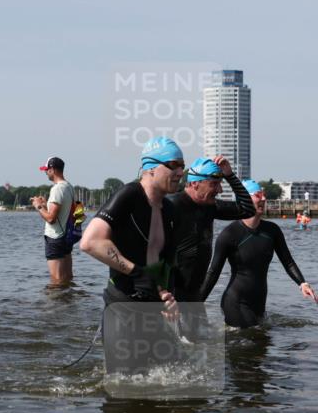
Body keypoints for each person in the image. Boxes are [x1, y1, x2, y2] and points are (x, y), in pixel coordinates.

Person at [80, 138, 184, 374]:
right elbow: (91, 242)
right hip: (123, 306)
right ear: (150, 168)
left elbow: (164, 263)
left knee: (168, 388)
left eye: (182, 166)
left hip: (154, 309)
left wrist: (167, 294)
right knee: (124, 391)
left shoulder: (170, 209)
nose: (180, 172)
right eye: (173, 164)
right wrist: (136, 272)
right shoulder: (129, 195)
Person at [199, 180, 317, 328]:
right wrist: (194, 304)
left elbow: (288, 262)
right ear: (244, 200)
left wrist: (302, 283)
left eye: (264, 195)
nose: (263, 199)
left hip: (259, 305)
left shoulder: (272, 231)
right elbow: (213, 273)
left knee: (261, 344)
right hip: (235, 302)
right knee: (253, 338)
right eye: (258, 195)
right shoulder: (230, 234)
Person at [168, 156, 254, 304]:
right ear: (195, 183)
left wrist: (230, 175)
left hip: (194, 295)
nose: (219, 190)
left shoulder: (210, 206)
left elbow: (247, 209)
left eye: (220, 184)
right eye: (214, 184)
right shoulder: (172, 205)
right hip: (171, 295)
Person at [31, 156, 75, 287]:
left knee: (56, 281)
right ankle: (68, 303)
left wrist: (38, 205)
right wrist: (45, 204)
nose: (45, 172)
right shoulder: (69, 186)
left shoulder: (57, 189)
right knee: (68, 277)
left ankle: (56, 306)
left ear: (53, 170)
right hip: (66, 236)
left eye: (47, 169)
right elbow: (63, 212)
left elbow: (51, 218)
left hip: (55, 238)